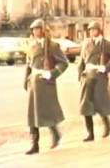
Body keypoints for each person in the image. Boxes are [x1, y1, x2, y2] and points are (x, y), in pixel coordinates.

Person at [24, 19, 68, 154]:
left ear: (43, 30)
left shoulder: (53, 46)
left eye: (37, 29)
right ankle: (34, 143)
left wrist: (52, 73)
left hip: (47, 82)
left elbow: (63, 63)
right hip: (34, 82)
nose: (35, 32)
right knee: (32, 115)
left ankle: (55, 133)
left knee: (48, 112)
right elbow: (29, 65)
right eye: (33, 30)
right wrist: (26, 80)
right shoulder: (31, 46)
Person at [78, 21, 110, 142]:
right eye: (90, 30)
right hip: (87, 76)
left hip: (100, 76)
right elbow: (81, 60)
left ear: (99, 31)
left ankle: (107, 124)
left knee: (100, 104)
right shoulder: (86, 43)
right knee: (85, 106)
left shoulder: (106, 44)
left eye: (94, 30)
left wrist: (106, 67)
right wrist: (80, 75)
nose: (91, 32)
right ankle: (90, 133)